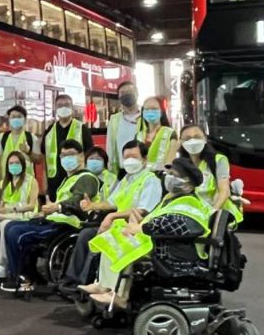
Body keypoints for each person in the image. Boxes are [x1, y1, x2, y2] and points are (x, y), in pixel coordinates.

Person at [83, 157, 211, 308]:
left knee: (125, 245)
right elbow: (157, 219)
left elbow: (176, 225)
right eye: (168, 173)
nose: (169, 177)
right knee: (112, 237)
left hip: (177, 251)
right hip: (163, 241)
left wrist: (141, 228)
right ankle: (104, 285)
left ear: (188, 184)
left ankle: (120, 296)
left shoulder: (191, 203)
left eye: (174, 175)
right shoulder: (171, 198)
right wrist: (138, 222)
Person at [0, 139, 98, 293]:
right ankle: (25, 274)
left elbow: (78, 199)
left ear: (81, 156)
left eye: (71, 154)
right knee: (10, 226)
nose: (66, 158)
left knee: (17, 232)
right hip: (53, 220)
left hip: (68, 224)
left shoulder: (87, 178)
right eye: (63, 155)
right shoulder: (68, 179)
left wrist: (58, 206)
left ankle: (21, 277)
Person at [63, 140, 161, 292]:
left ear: (144, 159)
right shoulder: (126, 180)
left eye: (134, 156)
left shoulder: (150, 181)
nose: (129, 161)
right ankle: (72, 280)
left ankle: (89, 283)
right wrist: (92, 206)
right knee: (85, 235)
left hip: (135, 229)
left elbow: (143, 211)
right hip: (118, 225)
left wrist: (112, 217)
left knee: (97, 238)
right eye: (126, 157)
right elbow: (111, 202)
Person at [0, 149, 38, 279]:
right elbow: (2, 204)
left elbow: (31, 205)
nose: (14, 166)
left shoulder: (31, 181)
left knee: (5, 225)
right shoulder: (4, 182)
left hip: (21, 215)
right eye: (11, 163)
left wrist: (12, 209)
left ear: (23, 164)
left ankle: (3, 263)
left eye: (17, 163)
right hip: (5, 214)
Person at [176, 123, 242, 225]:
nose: (192, 141)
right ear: (181, 142)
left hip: (217, 214)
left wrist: (213, 213)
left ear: (205, 139)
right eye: (187, 138)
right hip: (192, 214)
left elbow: (224, 191)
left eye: (197, 137)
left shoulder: (218, 160)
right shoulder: (180, 164)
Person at [41, 93, 94, 199]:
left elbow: (89, 154)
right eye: (60, 105)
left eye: (67, 105)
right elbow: (44, 157)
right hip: (54, 181)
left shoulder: (81, 128)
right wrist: (44, 181)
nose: (63, 108)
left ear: (72, 108)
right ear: (55, 109)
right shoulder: (49, 131)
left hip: (77, 179)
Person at [0, 105, 41, 189]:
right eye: (13, 117)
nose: (16, 119)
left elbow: (38, 160)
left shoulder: (31, 138)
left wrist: (28, 152)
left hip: (27, 184)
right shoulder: (1, 138)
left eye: (19, 117)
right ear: (9, 120)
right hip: (6, 182)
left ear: (25, 120)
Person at [106, 81, 141, 176]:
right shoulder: (114, 119)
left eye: (129, 92)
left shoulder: (146, 116)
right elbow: (110, 147)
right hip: (122, 170)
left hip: (143, 169)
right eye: (123, 93)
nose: (126, 95)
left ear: (137, 93)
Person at [137, 96, 177, 173]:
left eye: (154, 109)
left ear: (161, 112)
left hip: (161, 178)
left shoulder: (170, 133)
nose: (150, 111)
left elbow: (169, 164)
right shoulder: (139, 135)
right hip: (142, 179)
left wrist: (148, 166)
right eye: (147, 109)